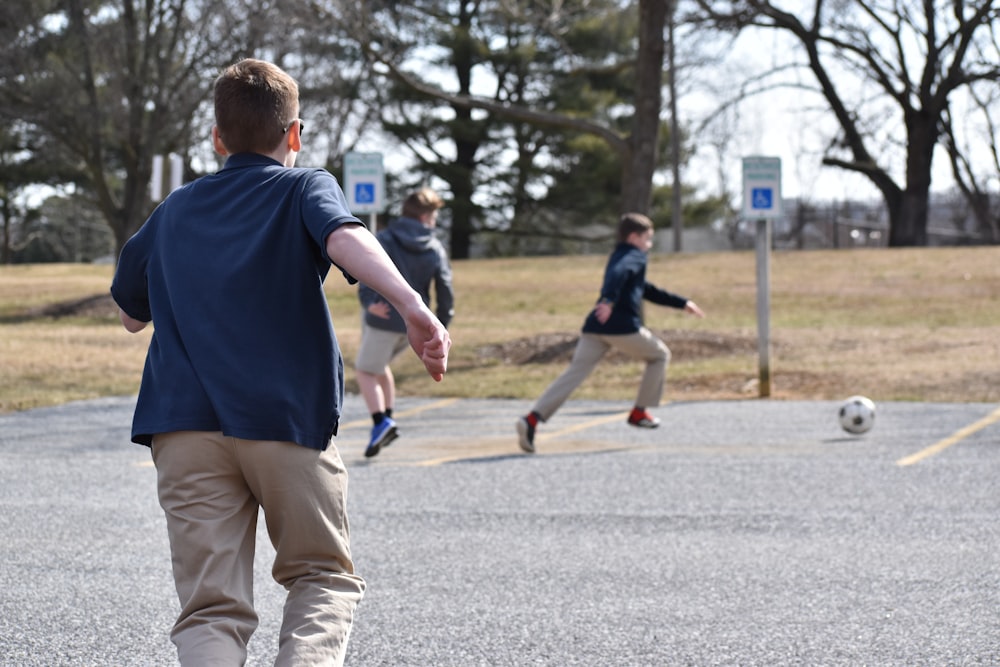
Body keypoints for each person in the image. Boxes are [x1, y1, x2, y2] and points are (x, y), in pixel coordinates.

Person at [110, 58, 450, 667]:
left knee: (210, 609)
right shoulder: (303, 186)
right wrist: (410, 304)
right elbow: (343, 236)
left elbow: (132, 314)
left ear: (217, 139)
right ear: (294, 134)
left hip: (182, 426)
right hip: (283, 418)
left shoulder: (174, 209)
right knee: (321, 576)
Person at [516, 212, 704, 453]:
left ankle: (532, 420)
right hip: (621, 326)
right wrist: (608, 300)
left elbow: (646, 289)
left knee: (575, 373)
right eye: (648, 239)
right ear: (634, 237)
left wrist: (681, 302)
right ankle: (639, 412)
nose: (649, 245)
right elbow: (619, 273)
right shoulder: (633, 256)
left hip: (595, 327)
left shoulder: (618, 255)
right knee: (659, 356)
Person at [355, 187, 455, 457]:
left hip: (384, 317)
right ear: (425, 217)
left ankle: (380, 422)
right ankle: (388, 418)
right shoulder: (435, 248)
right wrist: (440, 326)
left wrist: (368, 301)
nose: (434, 221)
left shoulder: (386, 238)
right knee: (379, 365)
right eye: (434, 215)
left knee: (364, 371)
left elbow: (366, 265)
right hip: (417, 324)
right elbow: (445, 290)